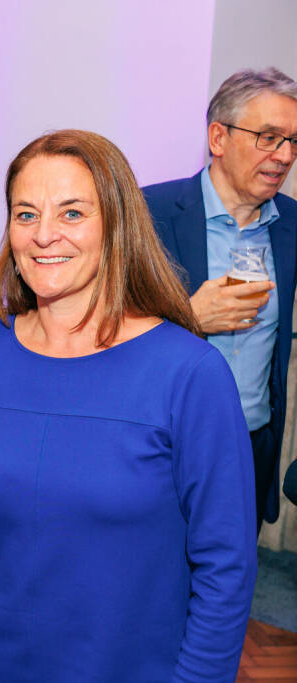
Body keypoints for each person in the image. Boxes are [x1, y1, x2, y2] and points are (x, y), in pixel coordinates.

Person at [0, 130, 257, 683]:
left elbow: (226, 565)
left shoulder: (189, 372)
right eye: (26, 214)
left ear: (116, 226)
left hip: (125, 665)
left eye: (72, 213)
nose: (44, 234)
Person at [144, 67, 297, 532]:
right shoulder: (148, 213)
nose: (285, 156)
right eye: (269, 137)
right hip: (162, 444)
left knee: (228, 588)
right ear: (218, 137)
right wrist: (188, 316)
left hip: (250, 446)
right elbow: (98, 331)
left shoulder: (291, 223)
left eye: (293, 142)